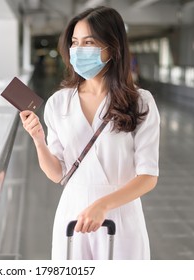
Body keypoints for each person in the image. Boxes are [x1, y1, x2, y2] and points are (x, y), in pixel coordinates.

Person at [19, 6, 160, 260]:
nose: (78, 50)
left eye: (88, 42)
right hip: (73, 214)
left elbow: (148, 177)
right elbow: (57, 173)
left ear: (112, 48)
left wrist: (103, 204)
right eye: (74, 43)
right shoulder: (59, 103)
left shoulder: (141, 103)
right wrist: (38, 141)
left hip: (121, 215)